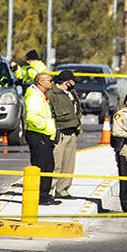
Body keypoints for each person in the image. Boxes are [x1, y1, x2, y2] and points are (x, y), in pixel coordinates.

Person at [23, 71, 59, 205]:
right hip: (38, 134)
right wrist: (45, 127)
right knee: (42, 166)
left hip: (44, 135)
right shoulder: (34, 97)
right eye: (50, 80)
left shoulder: (40, 95)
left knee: (49, 165)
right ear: (41, 82)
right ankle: (41, 196)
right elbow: (32, 117)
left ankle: (45, 194)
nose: (52, 83)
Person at [47, 70, 83, 199]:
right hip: (61, 133)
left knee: (68, 164)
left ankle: (63, 190)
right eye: (73, 80)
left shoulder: (72, 94)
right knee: (57, 163)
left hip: (72, 132)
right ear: (67, 81)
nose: (74, 83)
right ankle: (49, 190)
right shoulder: (52, 94)